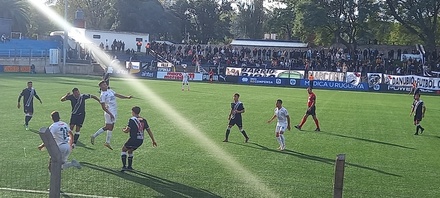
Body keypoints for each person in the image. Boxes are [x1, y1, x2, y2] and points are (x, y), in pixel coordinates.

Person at [91, 81, 132, 150]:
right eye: (103, 85)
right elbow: (103, 107)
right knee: (108, 126)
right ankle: (94, 136)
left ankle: (107, 142)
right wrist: (110, 114)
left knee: (112, 126)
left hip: (114, 110)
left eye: (105, 84)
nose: (105, 85)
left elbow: (117, 95)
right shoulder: (102, 95)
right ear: (100, 87)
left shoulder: (110, 90)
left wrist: (127, 97)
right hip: (109, 112)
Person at [121, 106, 157, 171]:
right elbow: (149, 130)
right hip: (140, 140)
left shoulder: (132, 119)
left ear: (133, 112)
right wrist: (153, 140)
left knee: (124, 149)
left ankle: (124, 166)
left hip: (133, 139)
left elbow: (127, 130)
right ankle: (129, 167)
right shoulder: (144, 120)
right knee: (130, 150)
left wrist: (123, 130)